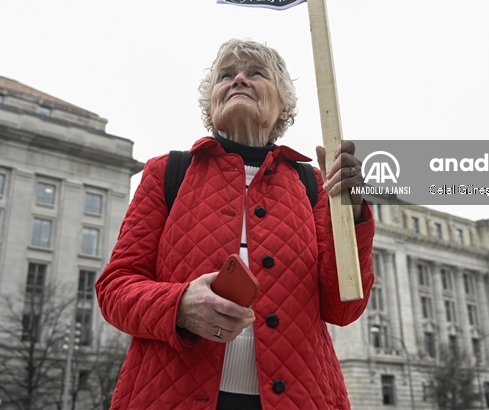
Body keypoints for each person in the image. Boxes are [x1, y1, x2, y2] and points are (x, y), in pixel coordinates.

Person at [96, 39, 374, 410]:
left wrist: (351, 213)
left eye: (255, 73)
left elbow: (344, 308)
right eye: (226, 76)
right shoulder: (166, 173)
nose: (238, 80)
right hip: (170, 396)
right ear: (210, 107)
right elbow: (114, 289)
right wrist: (178, 305)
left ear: (284, 107)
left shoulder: (315, 186)